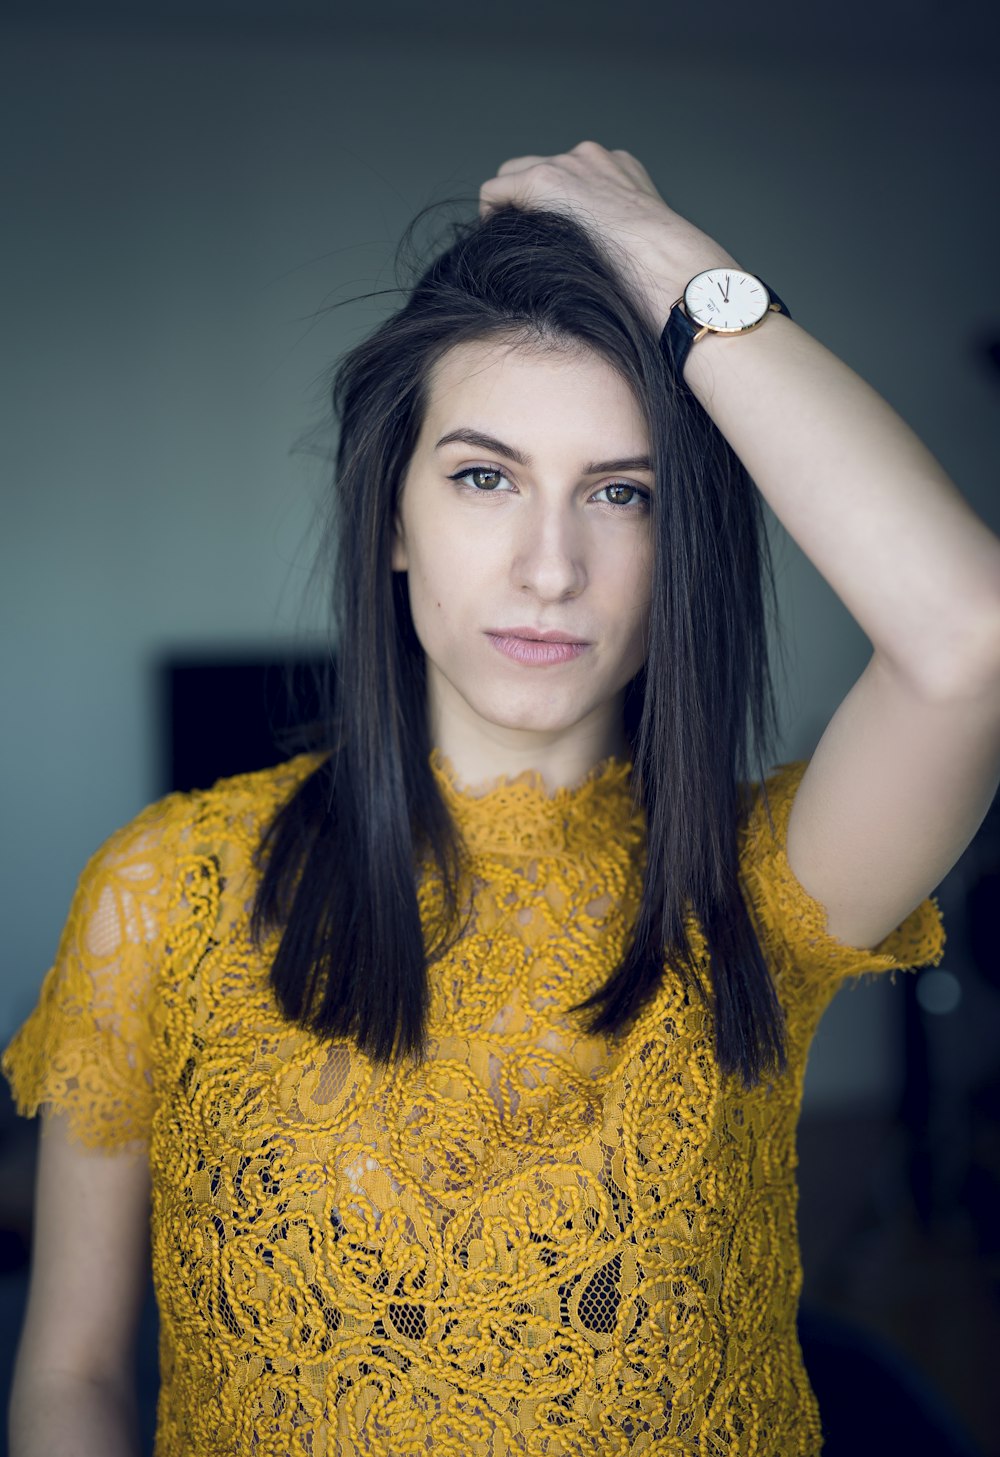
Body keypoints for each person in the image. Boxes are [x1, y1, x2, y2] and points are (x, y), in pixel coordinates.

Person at [3, 140, 999, 1457]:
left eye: (622, 493)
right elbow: (72, 1373)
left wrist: (660, 255)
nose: (550, 566)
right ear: (396, 519)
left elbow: (971, 636)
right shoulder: (166, 892)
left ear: (677, 545)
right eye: (485, 476)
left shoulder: (761, 886)